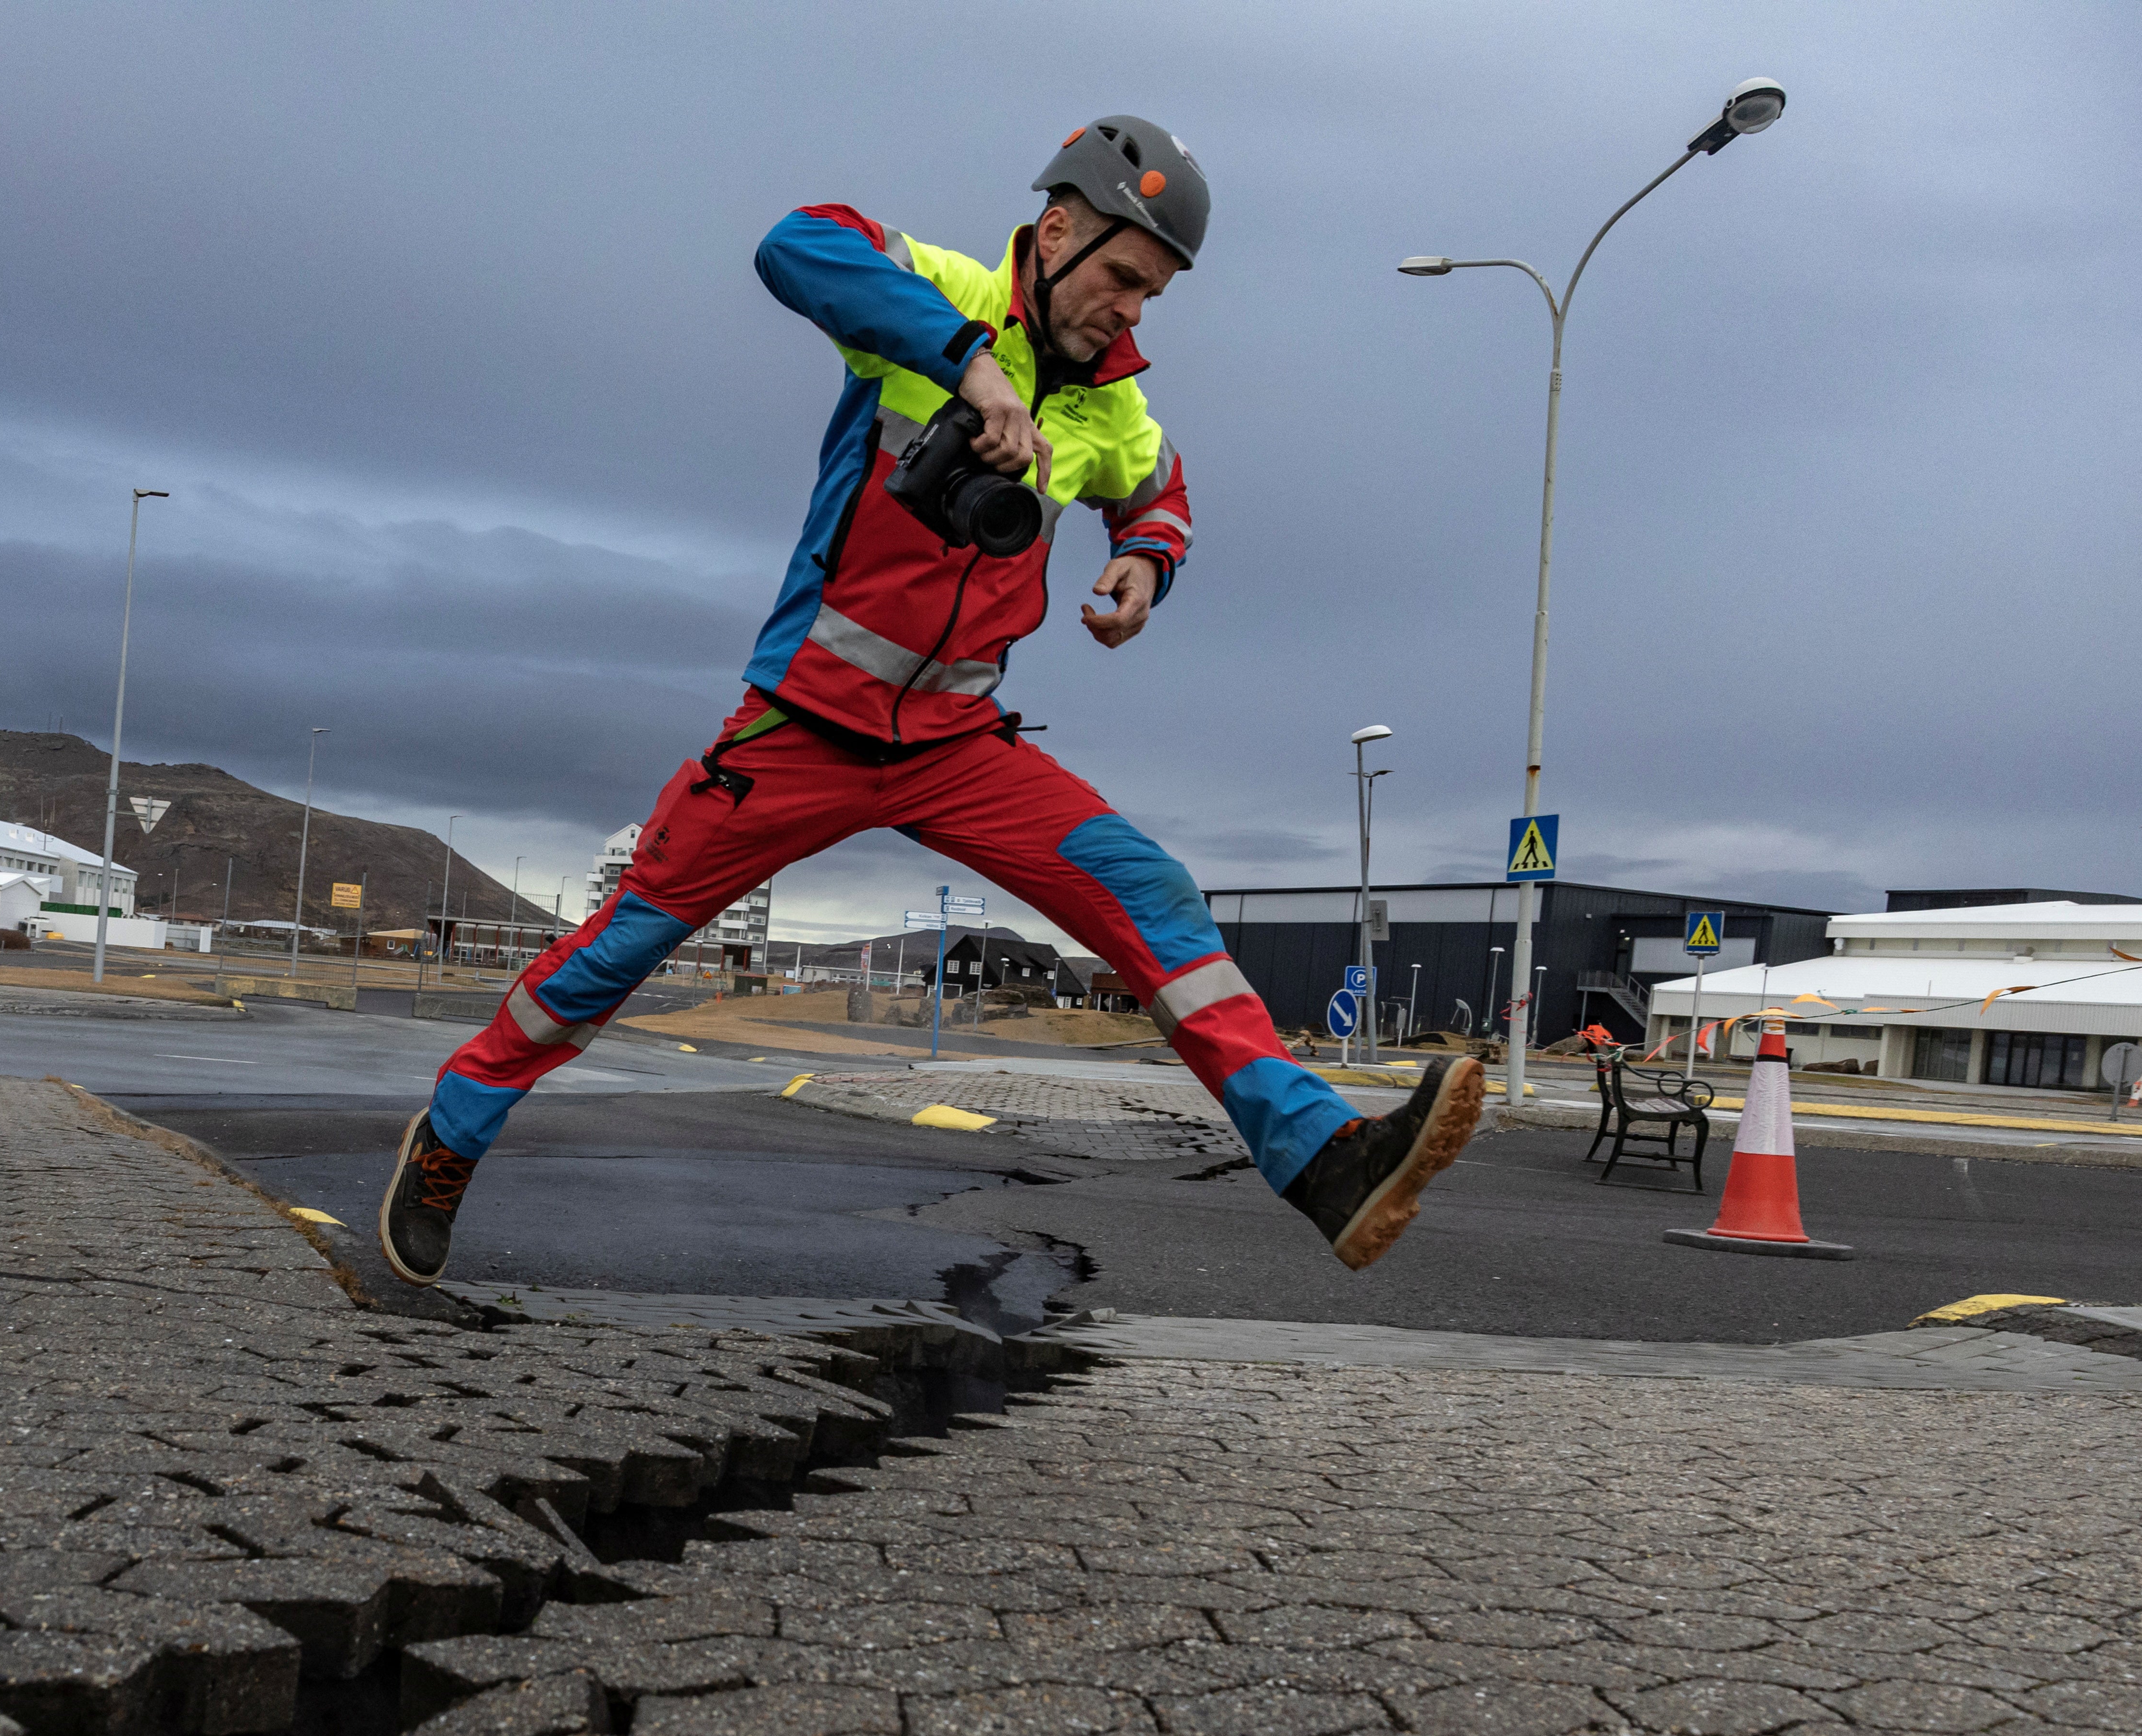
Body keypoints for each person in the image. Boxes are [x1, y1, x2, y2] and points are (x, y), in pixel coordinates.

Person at [380, 116, 1482, 1287]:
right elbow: (795, 242)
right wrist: (969, 361)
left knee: (1149, 890)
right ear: (1056, 231)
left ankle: (1323, 1160)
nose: (1132, 310)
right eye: (1120, 277)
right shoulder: (938, 294)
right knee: (622, 949)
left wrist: (1146, 564)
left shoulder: (1111, 409)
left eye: (1153, 294)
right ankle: (454, 1125)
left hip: (959, 743)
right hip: (801, 726)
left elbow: (1164, 490)